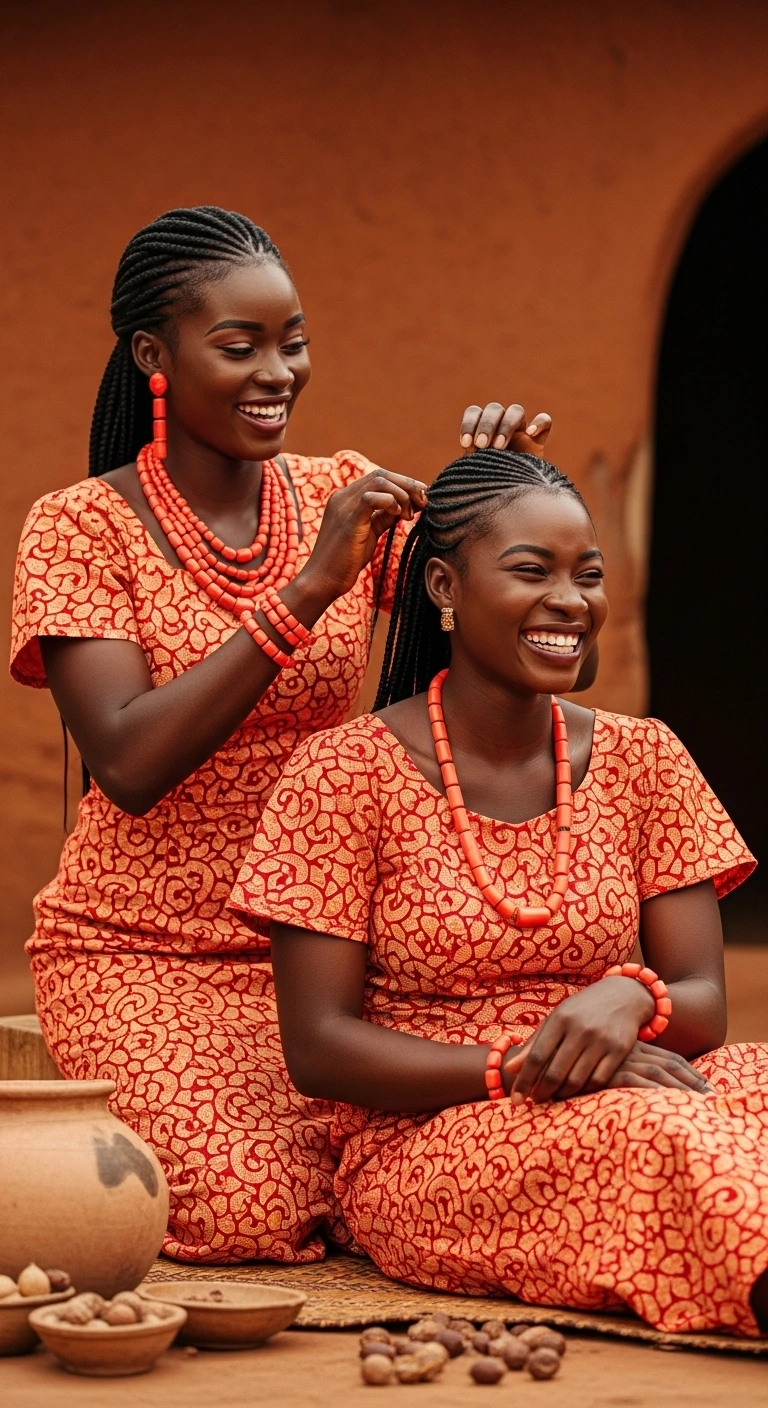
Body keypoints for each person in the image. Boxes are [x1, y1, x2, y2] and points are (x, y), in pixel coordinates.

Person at [10, 203, 556, 1265]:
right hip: (144, 953)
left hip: (325, 961)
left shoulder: (328, 490)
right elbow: (127, 758)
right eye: (241, 344)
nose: (278, 370)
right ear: (152, 354)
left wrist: (504, 493)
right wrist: (311, 586)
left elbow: (473, 615)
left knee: (470, 1145)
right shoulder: (80, 526)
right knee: (254, 1212)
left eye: (293, 341)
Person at [232, 446, 768, 1335]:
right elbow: (318, 1048)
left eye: (588, 574)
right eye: (533, 570)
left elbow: (704, 1005)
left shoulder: (645, 757)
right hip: (433, 1135)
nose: (572, 600)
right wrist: (516, 1066)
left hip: (629, 1074)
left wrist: (626, 999)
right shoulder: (344, 772)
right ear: (443, 586)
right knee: (662, 1143)